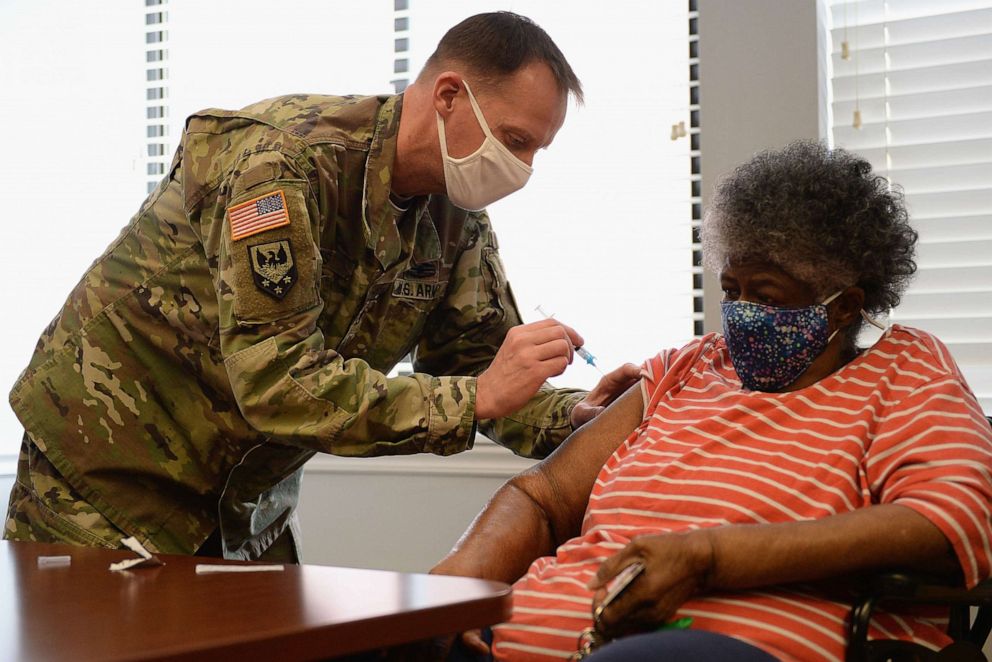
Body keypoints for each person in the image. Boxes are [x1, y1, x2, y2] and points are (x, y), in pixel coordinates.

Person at [3, 12, 638, 562]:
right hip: (106, 474)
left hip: (245, 501)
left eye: (537, 151)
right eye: (515, 140)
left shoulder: (455, 216)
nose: (522, 169)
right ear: (448, 95)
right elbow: (279, 382)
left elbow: (479, 369)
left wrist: (575, 417)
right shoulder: (282, 163)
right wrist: (472, 399)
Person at [433, 141, 992, 661]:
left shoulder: (904, 371)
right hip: (539, 627)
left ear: (843, 306)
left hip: (731, 640)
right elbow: (544, 495)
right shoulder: (687, 367)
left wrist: (709, 557)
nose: (741, 312)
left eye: (766, 294)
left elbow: (947, 523)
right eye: (731, 291)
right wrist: (458, 580)